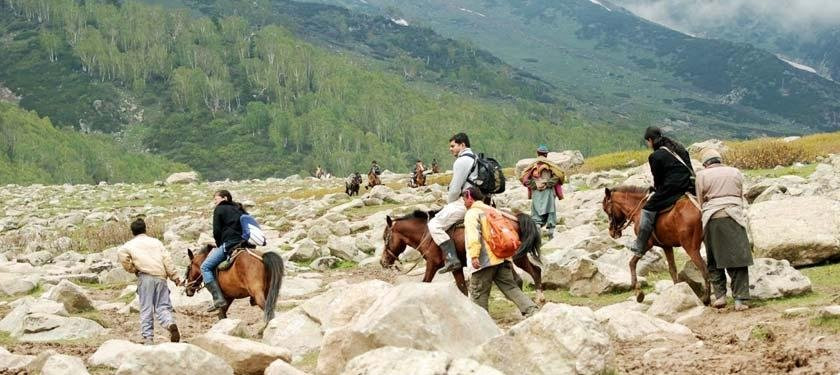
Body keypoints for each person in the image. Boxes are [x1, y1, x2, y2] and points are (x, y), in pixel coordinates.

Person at [463, 187, 538, 317]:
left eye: (464, 199)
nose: (463, 202)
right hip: (503, 257)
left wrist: (474, 256)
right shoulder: (493, 210)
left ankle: (481, 323)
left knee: (478, 293)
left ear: (470, 197)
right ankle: (532, 310)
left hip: (485, 261)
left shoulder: (472, 213)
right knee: (511, 288)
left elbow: (473, 236)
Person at [696, 149, 753, 311]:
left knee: (714, 259)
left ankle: (720, 296)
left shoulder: (702, 175)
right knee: (738, 259)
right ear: (719, 160)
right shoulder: (735, 172)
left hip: (712, 218)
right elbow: (742, 194)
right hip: (734, 217)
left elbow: (700, 199)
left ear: (706, 163)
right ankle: (740, 300)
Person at [631, 127, 695, 257]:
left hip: (672, 190)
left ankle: (640, 244)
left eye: (647, 142)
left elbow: (658, 180)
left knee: (648, 209)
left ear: (650, 140)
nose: (648, 145)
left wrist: (656, 190)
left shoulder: (655, 156)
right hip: (689, 187)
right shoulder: (679, 148)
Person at [118, 218, 181, 345]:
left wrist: (133, 269)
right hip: (160, 277)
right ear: (145, 229)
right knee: (163, 306)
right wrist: (175, 276)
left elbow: (123, 257)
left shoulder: (128, 245)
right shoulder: (156, 242)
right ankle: (170, 323)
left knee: (146, 308)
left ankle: (148, 338)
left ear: (132, 232)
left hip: (145, 277)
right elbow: (167, 260)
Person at [428, 132, 479, 274]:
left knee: (434, 224)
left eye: (453, 146)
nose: (450, 149)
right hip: (480, 200)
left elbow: (455, 189)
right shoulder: (475, 158)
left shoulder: (461, 161)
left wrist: (450, 204)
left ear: (462, 145)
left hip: (465, 201)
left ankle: (451, 258)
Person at [201, 189, 246, 312]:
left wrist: (220, 244)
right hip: (246, 243)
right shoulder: (239, 208)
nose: (215, 202)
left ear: (225, 198)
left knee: (205, 267)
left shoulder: (220, 209)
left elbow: (217, 231)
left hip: (230, 243)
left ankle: (218, 298)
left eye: (216, 199)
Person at [520, 144, 564, 240]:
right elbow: (559, 176)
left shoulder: (532, 166)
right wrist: (548, 184)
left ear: (537, 153)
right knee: (551, 211)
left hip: (536, 193)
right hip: (548, 192)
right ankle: (551, 234)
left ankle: (538, 235)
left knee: (536, 214)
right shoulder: (550, 165)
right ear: (546, 154)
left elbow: (523, 178)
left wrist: (534, 185)